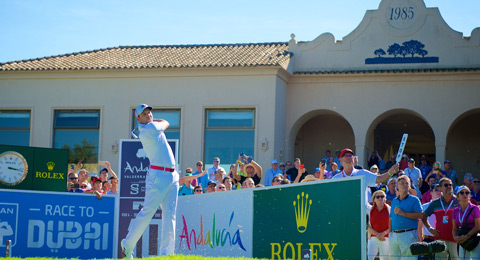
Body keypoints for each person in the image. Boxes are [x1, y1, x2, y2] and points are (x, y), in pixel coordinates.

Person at [121, 104, 179, 258]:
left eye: (150, 112)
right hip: (158, 176)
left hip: (172, 176)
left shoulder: (149, 126)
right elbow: (167, 122)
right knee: (147, 212)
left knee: (170, 215)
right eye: (144, 114)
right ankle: (127, 244)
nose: (149, 115)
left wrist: (149, 120)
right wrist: (152, 121)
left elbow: (160, 121)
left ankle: (167, 253)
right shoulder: (150, 129)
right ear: (138, 118)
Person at [421, 177, 460, 260]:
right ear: (441, 188)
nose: (449, 187)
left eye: (451, 185)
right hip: (440, 238)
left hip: (456, 238)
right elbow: (423, 216)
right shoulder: (435, 203)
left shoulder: (458, 201)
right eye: (446, 185)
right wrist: (429, 228)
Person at [389, 175, 423, 260]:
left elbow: (420, 215)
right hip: (394, 235)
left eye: (406, 183)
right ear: (397, 186)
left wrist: (403, 213)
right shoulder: (394, 201)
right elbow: (391, 218)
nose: (404, 185)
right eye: (402, 183)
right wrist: (390, 234)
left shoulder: (414, 200)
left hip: (408, 234)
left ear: (409, 185)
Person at [331, 148, 399, 187]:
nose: (349, 157)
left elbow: (380, 179)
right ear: (340, 160)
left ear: (354, 159)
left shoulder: (362, 173)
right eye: (346, 156)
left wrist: (391, 172)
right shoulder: (336, 179)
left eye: (350, 155)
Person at [452, 186, 480, 259]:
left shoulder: (475, 208)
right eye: (462, 193)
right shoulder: (455, 211)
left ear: (469, 196)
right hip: (462, 241)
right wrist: (455, 237)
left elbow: (478, 226)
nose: (465, 194)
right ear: (457, 197)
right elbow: (454, 227)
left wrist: (467, 236)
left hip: (474, 240)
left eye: (467, 193)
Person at [417, 183, 442, 260]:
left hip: (441, 239)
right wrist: (421, 241)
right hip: (427, 239)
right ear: (431, 192)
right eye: (436, 190)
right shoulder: (424, 207)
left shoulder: (446, 207)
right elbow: (420, 225)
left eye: (441, 190)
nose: (439, 192)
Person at [367, 190, 391, 260]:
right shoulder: (369, 210)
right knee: (370, 258)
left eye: (382, 196)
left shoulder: (389, 209)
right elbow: (367, 226)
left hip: (386, 238)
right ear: (374, 199)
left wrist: (383, 234)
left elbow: (391, 226)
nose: (380, 198)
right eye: (378, 197)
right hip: (373, 238)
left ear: (385, 199)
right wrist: (377, 234)